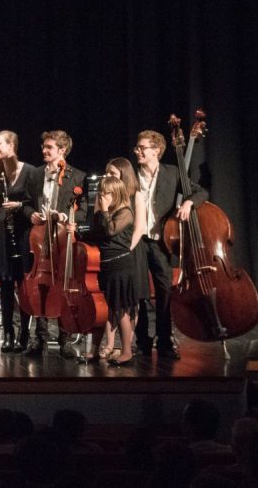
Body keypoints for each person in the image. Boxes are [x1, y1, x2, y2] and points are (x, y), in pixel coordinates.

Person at [134, 130, 208, 359]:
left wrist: (188, 203)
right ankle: (142, 342)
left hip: (160, 243)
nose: (138, 151)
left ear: (156, 150)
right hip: (136, 241)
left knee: (165, 292)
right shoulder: (131, 174)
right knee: (139, 293)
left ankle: (164, 340)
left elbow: (201, 191)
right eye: (137, 147)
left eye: (142, 147)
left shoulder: (172, 172)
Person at [20, 130, 88, 358]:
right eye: (44, 146)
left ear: (62, 150)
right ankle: (39, 339)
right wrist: (31, 215)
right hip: (40, 237)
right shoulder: (36, 174)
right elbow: (27, 203)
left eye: (49, 147)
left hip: (62, 239)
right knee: (41, 283)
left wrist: (67, 217)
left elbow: (84, 211)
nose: (44, 150)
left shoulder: (77, 176)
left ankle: (65, 338)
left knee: (63, 283)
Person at [75, 176, 140, 366]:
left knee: (120, 310)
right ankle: (94, 351)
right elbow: (95, 234)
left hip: (120, 266)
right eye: (101, 192)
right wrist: (77, 231)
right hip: (104, 267)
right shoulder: (102, 215)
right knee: (101, 310)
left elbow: (111, 230)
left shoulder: (125, 212)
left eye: (107, 193)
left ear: (117, 194)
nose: (102, 196)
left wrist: (103, 211)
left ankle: (127, 351)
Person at [94, 157, 150, 361]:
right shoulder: (105, 200)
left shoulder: (132, 201)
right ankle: (108, 345)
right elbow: (98, 228)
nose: (107, 177)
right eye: (106, 173)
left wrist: (124, 250)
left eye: (112, 174)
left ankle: (126, 348)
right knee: (111, 304)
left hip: (127, 253)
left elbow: (137, 229)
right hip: (109, 257)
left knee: (125, 304)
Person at [0, 130, 35, 354]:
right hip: (2, 231)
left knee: (24, 284)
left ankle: (25, 334)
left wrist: (19, 207)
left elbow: (33, 203)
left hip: (23, 231)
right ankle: (8, 333)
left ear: (12, 145)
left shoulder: (30, 172)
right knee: (6, 284)